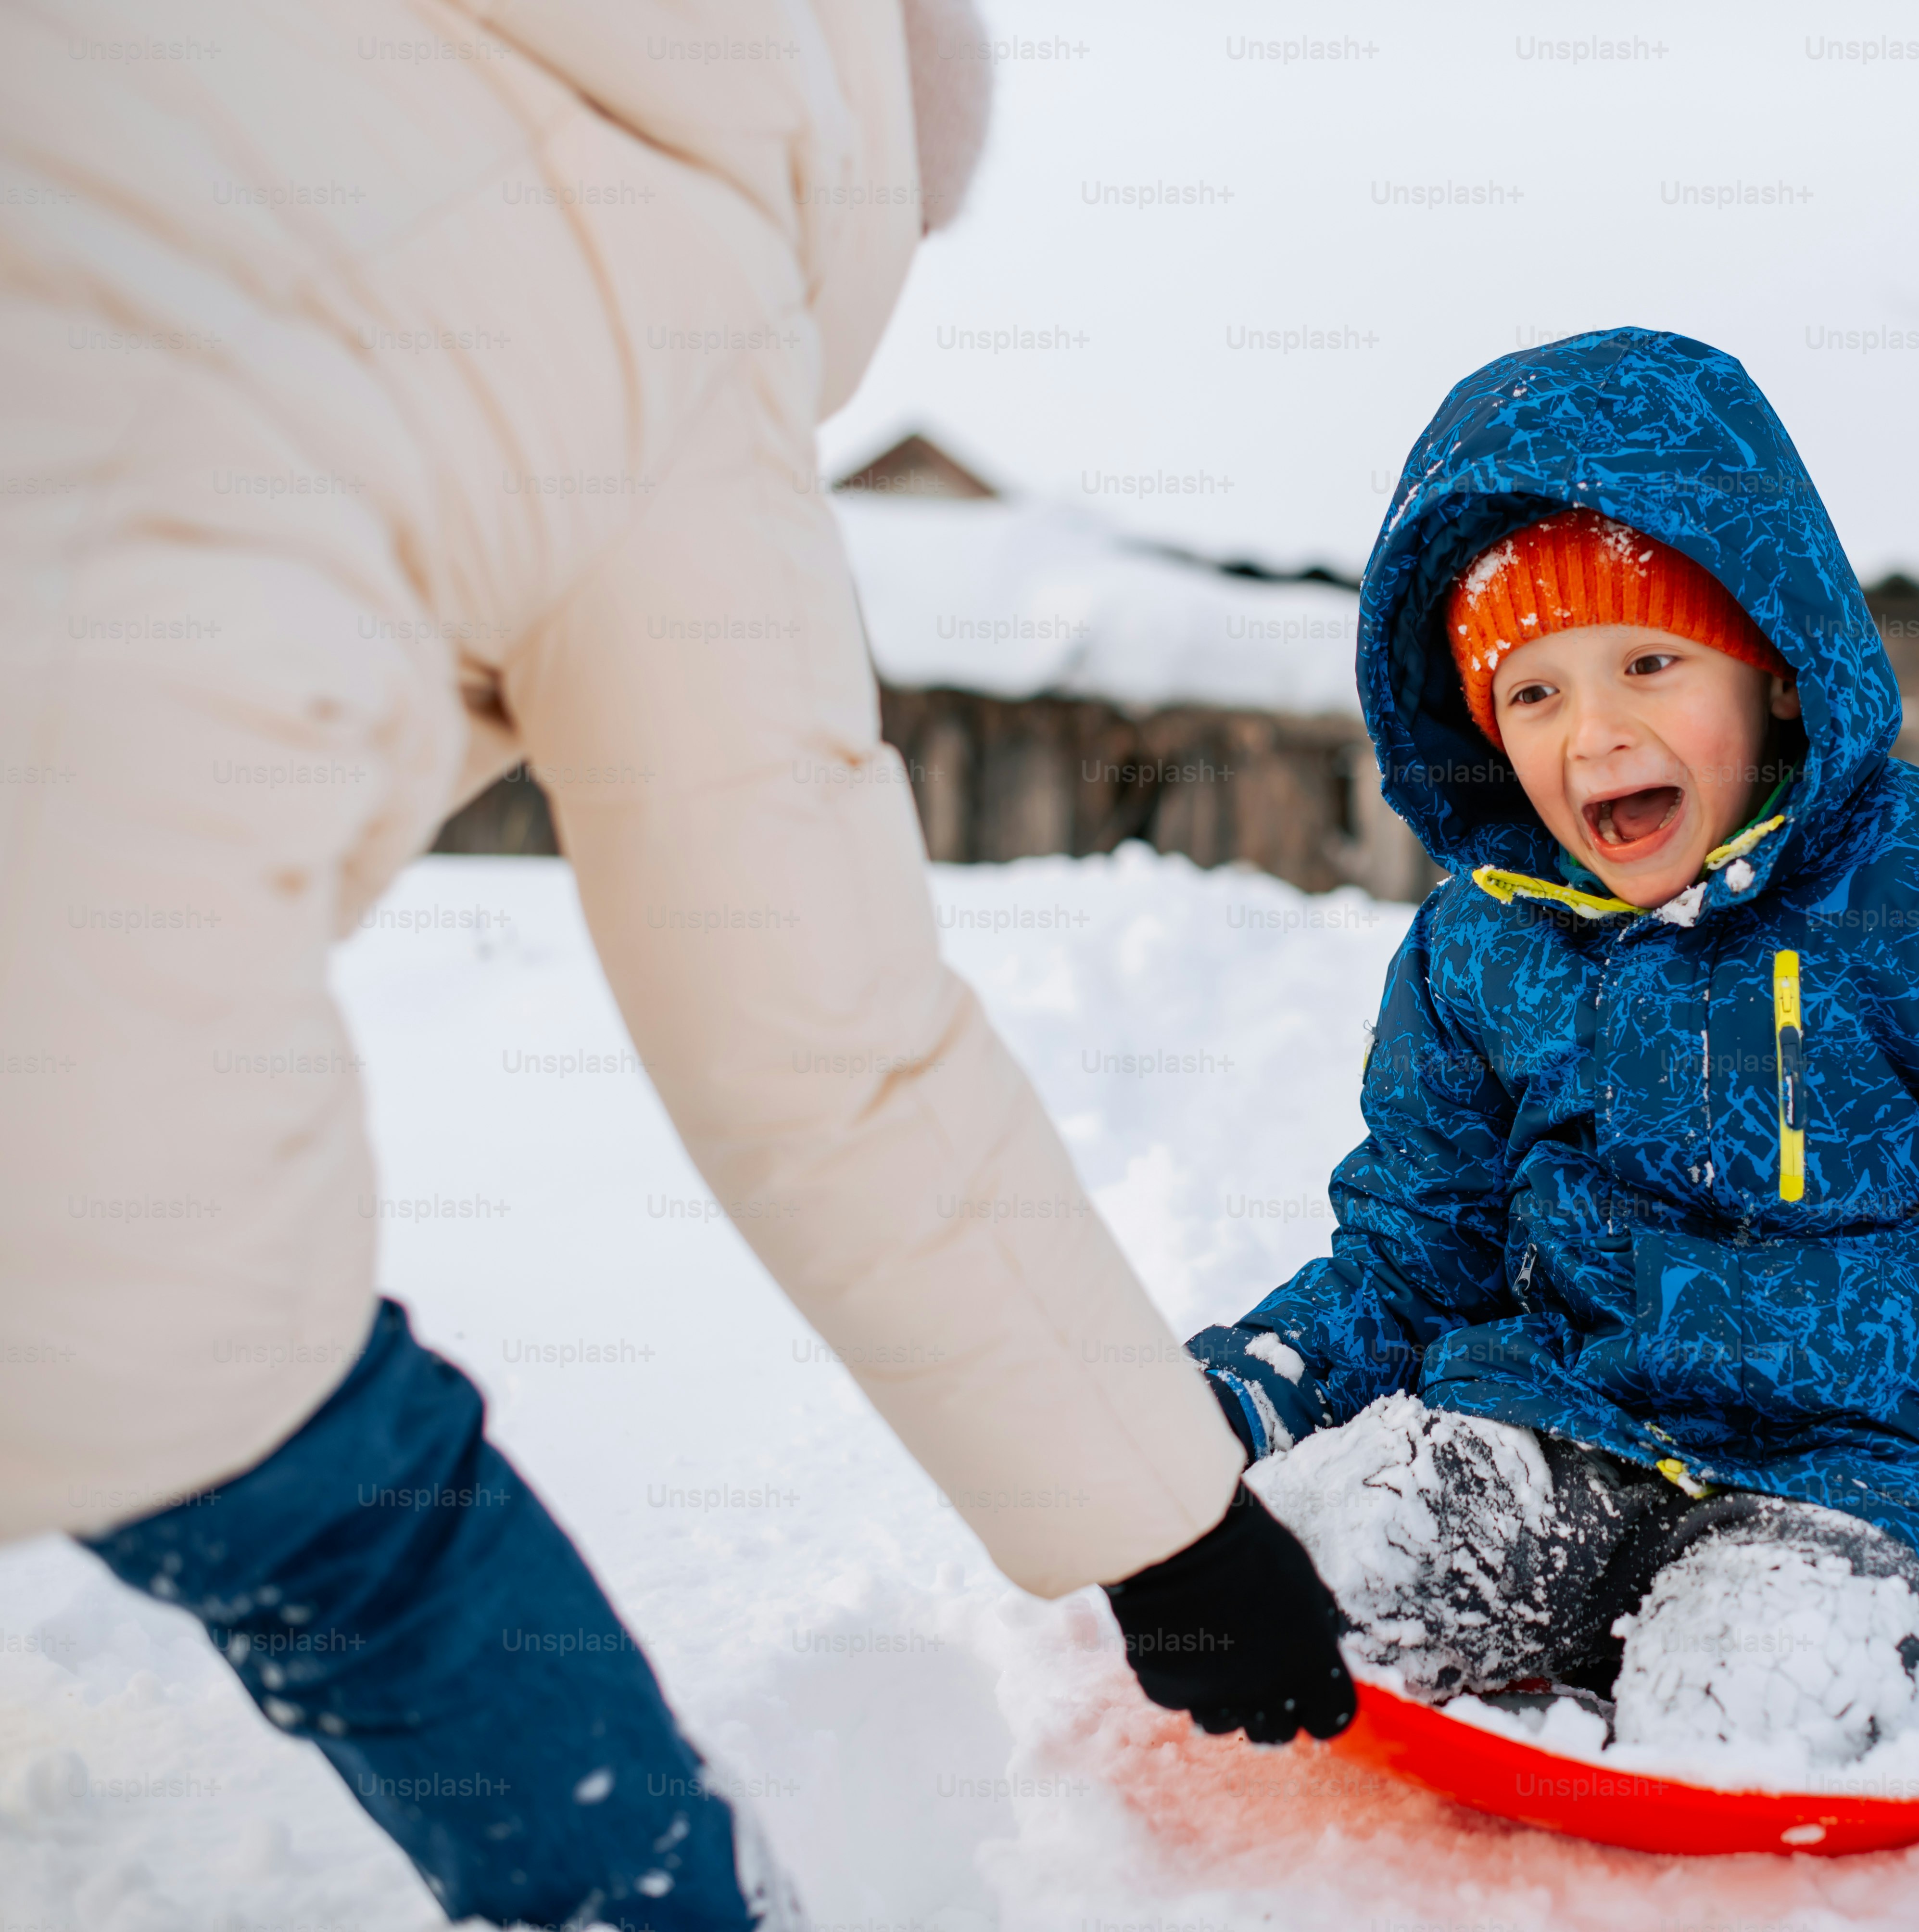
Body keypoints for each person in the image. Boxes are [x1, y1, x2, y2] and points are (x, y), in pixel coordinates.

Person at [0, 0, 1347, 1924]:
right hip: (64, 1081)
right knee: (366, 1526)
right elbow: (820, 1040)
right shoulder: (664, 287)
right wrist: (1169, 1521)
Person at [1187, 328, 1919, 1761]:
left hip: (1863, 1486)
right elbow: (1426, 1242)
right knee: (1314, 1578)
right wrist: (1269, 1378)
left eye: (1650, 664)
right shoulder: (1483, 945)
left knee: (1760, 1709)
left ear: (1776, 673)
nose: (1593, 737)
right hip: (1556, 1419)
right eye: (1533, 693)